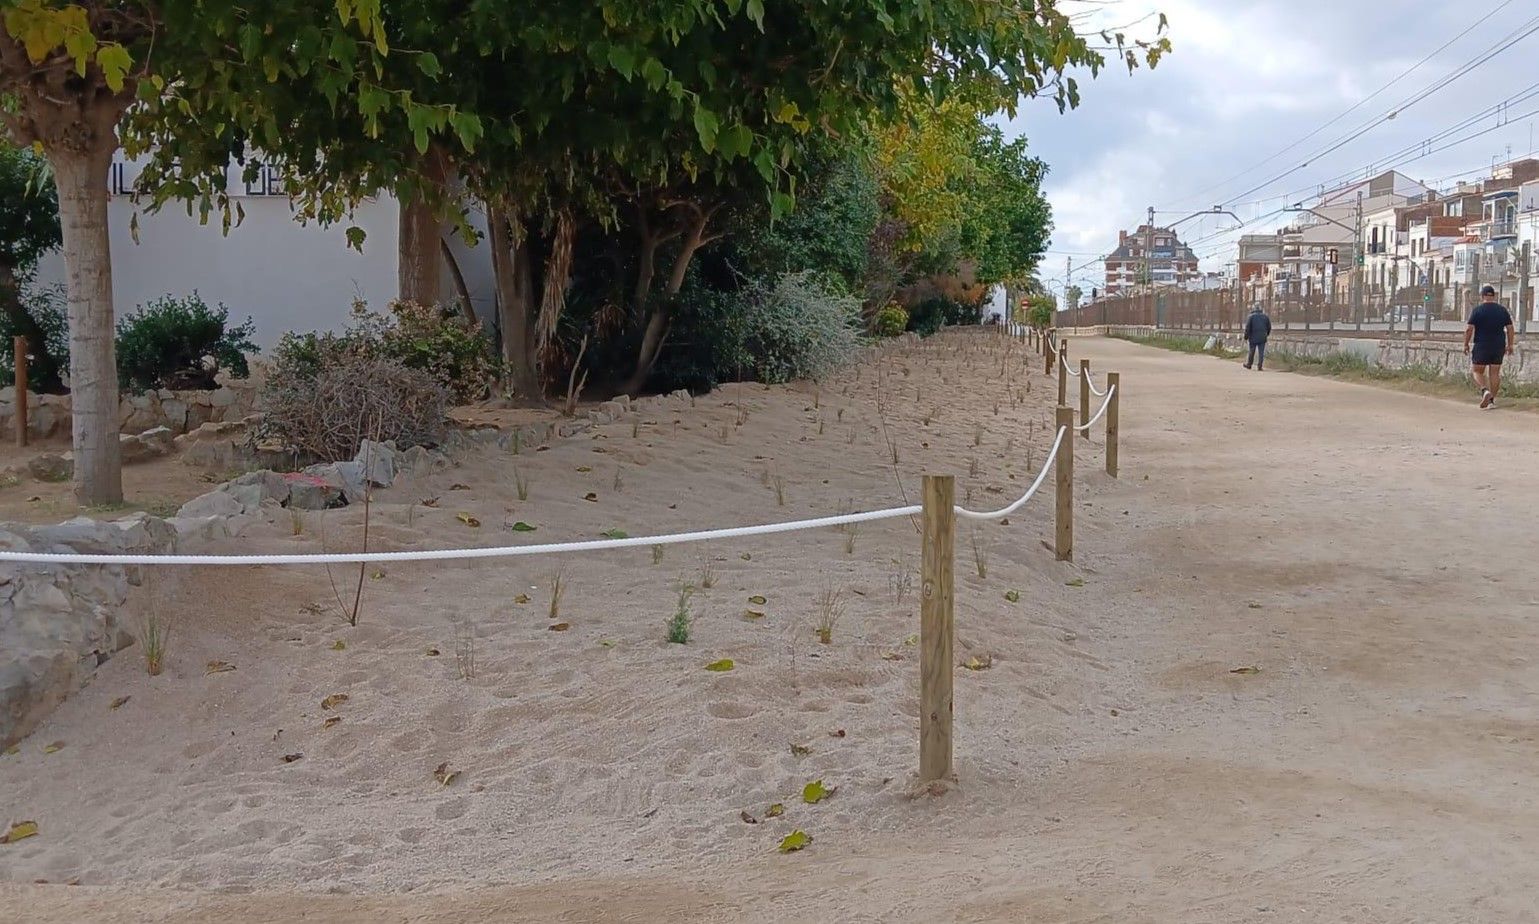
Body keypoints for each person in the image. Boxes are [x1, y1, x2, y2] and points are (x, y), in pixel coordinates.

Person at [1464, 284, 1515, 409]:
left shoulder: (1478, 310)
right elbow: (1510, 329)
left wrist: (1465, 344)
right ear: (1494, 296)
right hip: (1498, 345)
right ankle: (1491, 401)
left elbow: (1469, 329)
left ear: (1482, 296)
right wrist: (1510, 345)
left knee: (1477, 370)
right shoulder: (1502, 310)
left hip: (1482, 344)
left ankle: (1484, 390)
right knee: (1495, 373)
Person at [1243, 303, 1272, 371]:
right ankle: (1260, 366)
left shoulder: (1251, 317)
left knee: (1251, 351)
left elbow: (1248, 328)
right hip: (1262, 337)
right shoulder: (1265, 317)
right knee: (1261, 352)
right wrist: (1266, 334)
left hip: (1253, 337)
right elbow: (1269, 327)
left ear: (1254, 309)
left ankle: (1249, 364)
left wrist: (1246, 337)